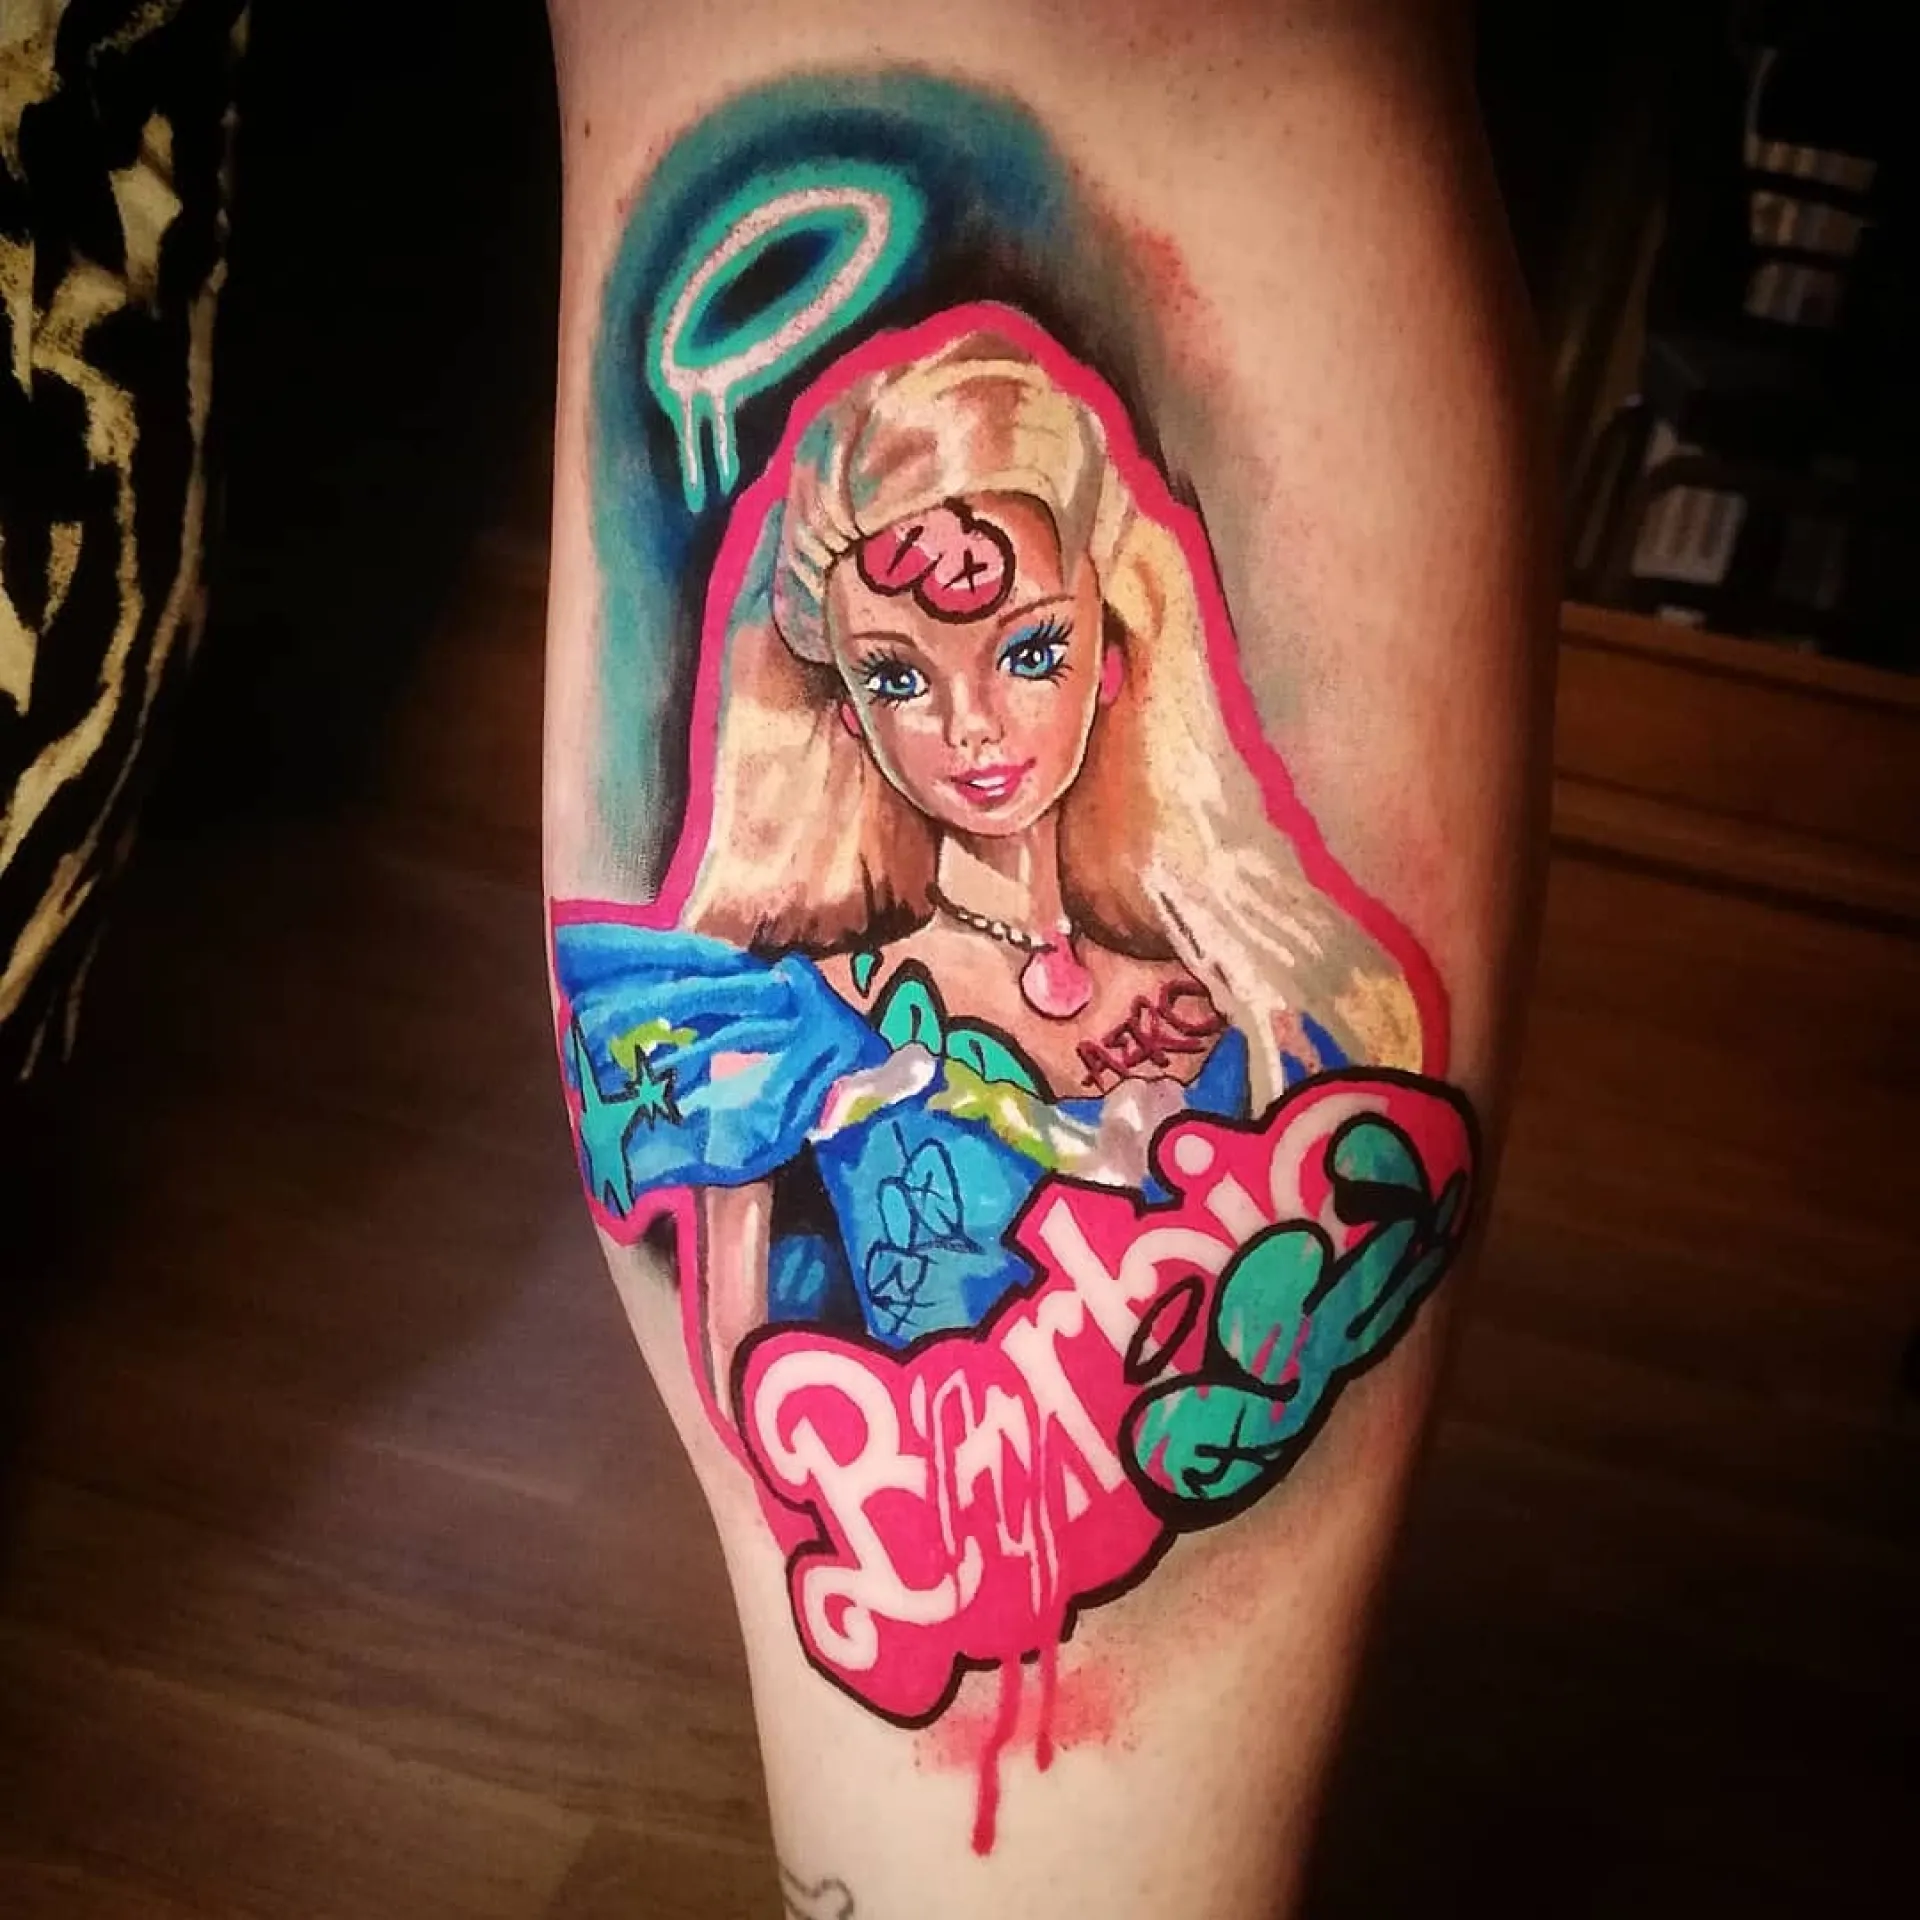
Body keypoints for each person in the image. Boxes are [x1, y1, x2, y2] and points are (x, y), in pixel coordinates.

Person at [543, 5, 1550, 1912]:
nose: (975, 730)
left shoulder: (1220, 993)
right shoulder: (788, 1029)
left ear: (1114, 629)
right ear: (837, 696)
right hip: (916, 1577)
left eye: (1024, 653)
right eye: (901, 678)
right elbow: (762, 1382)